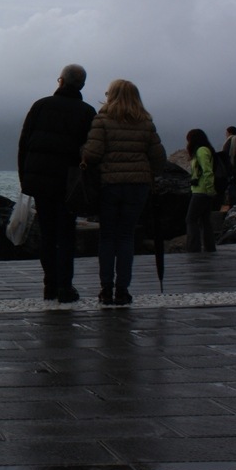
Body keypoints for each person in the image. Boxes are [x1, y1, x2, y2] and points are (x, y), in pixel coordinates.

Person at [81, 79, 166, 306]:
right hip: (138, 186)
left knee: (107, 236)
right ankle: (123, 290)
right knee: (126, 236)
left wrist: (83, 151)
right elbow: (159, 159)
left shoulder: (102, 120)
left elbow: (92, 154)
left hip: (109, 185)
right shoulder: (146, 123)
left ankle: (106, 288)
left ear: (111, 95)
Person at [17, 64, 97, 302]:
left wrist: (25, 178)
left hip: (41, 182)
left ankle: (49, 284)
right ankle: (65, 286)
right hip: (69, 183)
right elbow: (90, 151)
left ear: (60, 81)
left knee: (47, 234)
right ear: (81, 85)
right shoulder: (87, 112)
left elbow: (24, 144)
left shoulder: (40, 106)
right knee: (66, 234)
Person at [185, 129, 218, 253]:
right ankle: (210, 247)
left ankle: (193, 248)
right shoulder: (204, 149)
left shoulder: (201, 151)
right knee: (205, 220)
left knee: (190, 219)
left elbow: (207, 171)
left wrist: (210, 189)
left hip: (201, 191)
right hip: (203, 191)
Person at [221, 126, 236, 207]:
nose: (226, 134)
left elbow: (226, 154)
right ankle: (234, 204)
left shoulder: (232, 141)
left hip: (231, 166)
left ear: (230, 132)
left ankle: (233, 205)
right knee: (233, 185)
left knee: (231, 185)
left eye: (226, 132)